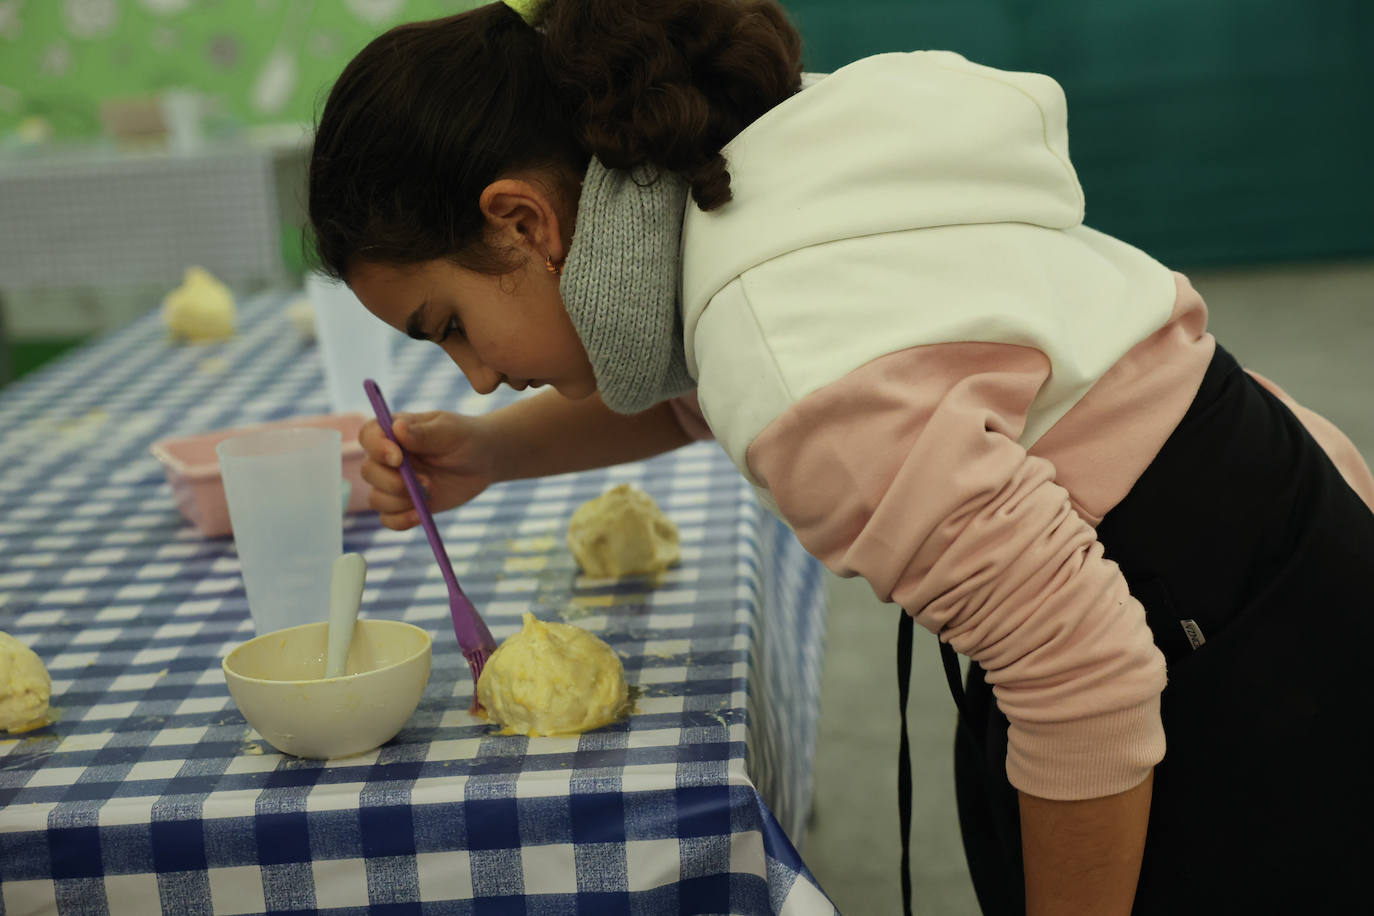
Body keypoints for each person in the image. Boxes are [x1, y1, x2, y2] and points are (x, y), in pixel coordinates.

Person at [307, 1, 1374, 912]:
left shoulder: (783, 352)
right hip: (1287, 504)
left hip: (1240, 664)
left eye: (447, 323)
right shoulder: (764, 171)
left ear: (524, 221)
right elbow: (704, 389)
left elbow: (1083, 678)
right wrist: (489, 453)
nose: (476, 377)